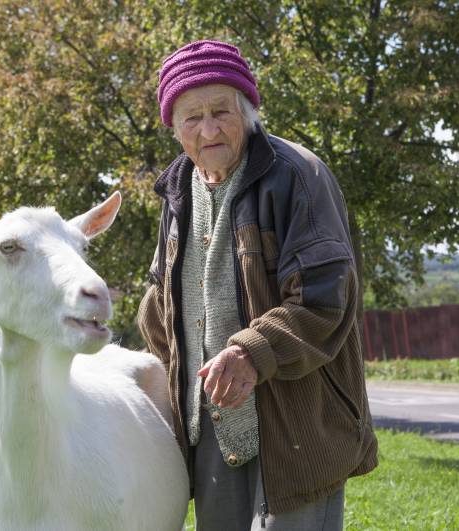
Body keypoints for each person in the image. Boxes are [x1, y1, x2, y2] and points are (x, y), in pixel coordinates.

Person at [137, 40, 378, 531]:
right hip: (212, 427)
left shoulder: (296, 175)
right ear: (173, 128)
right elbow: (160, 302)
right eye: (191, 118)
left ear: (247, 109)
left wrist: (249, 352)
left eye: (221, 111)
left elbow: (325, 298)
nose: (209, 130)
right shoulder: (178, 189)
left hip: (294, 428)